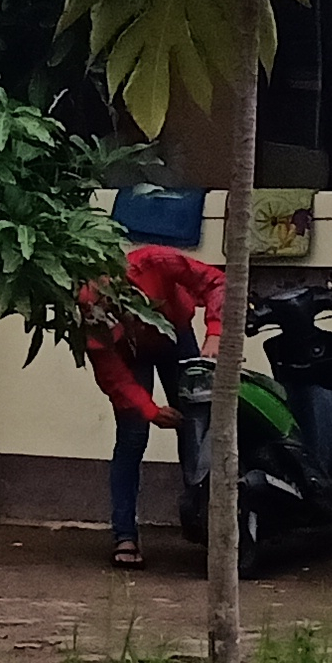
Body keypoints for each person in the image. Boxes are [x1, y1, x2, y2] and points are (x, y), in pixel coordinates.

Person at [73, 191, 221, 570]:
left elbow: (216, 283)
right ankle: (125, 534)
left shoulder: (158, 261)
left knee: (197, 430)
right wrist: (149, 409)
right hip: (127, 355)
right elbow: (111, 372)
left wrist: (215, 333)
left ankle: (209, 525)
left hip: (177, 336)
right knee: (133, 436)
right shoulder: (88, 307)